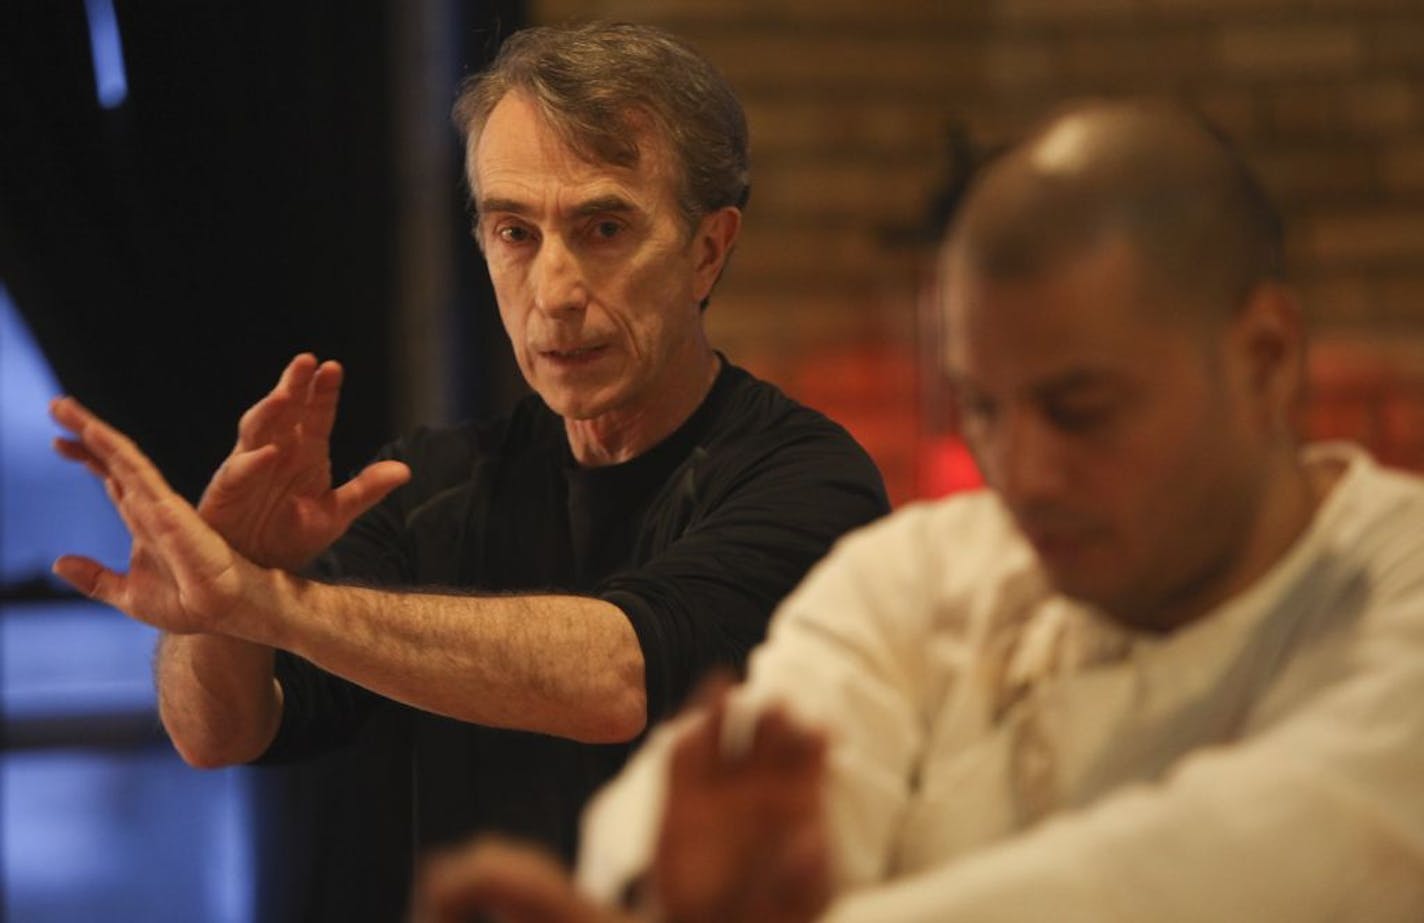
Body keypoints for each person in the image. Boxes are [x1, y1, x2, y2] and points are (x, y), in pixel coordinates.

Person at [417, 101, 1424, 921]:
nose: (1020, 471)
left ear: (1262, 359)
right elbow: (709, 798)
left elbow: (1247, 865)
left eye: (1079, 410)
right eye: (982, 408)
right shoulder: (927, 570)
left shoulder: (1398, 577)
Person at [48, 20, 888, 914]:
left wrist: (266, 600)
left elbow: (618, 675)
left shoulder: (810, 480)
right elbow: (217, 730)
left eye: (604, 227)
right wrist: (219, 607)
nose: (556, 292)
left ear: (707, 250)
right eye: (515, 232)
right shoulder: (432, 483)